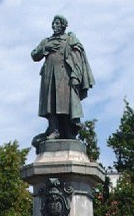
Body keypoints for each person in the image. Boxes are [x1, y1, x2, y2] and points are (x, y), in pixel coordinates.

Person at [31, 15, 94, 144]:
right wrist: (45, 49)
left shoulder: (69, 40)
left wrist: (76, 76)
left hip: (65, 77)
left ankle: (68, 131)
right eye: (53, 23)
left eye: (58, 23)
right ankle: (54, 130)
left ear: (64, 26)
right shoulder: (46, 41)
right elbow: (34, 55)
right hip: (49, 77)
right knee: (50, 104)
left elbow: (77, 60)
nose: (55, 26)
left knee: (65, 104)